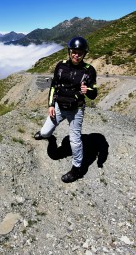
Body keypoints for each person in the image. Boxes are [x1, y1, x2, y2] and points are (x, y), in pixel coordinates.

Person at [34, 36, 98, 183]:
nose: (76, 55)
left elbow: (94, 94)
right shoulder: (60, 66)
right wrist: (51, 105)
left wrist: (87, 90)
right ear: (69, 52)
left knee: (75, 141)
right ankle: (49, 137)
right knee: (44, 132)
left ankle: (77, 169)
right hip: (59, 106)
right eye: (74, 52)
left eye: (80, 53)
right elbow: (53, 86)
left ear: (84, 54)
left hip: (76, 110)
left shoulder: (89, 71)